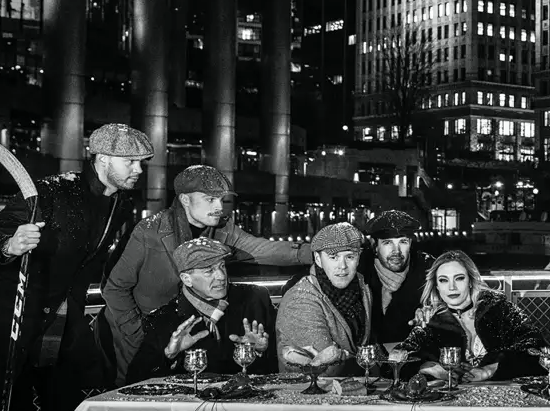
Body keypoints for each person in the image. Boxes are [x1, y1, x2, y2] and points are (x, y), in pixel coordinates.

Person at [0, 123, 153, 411]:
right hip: (5, 321)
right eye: (130, 162)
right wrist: (9, 245)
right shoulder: (52, 191)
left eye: (141, 162)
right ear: (102, 158)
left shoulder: (120, 204)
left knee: (67, 401)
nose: (138, 169)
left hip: (59, 322)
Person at [101, 164, 312, 383]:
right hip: (142, 335)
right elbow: (114, 288)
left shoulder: (224, 229)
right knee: (137, 390)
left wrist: (317, 252)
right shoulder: (148, 232)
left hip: (193, 332)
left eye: (221, 199)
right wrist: (138, 332)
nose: (219, 207)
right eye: (210, 199)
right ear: (185, 199)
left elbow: (265, 250)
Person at [126, 238, 276, 382]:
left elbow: (280, 364)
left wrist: (260, 351)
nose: (221, 276)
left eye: (222, 266)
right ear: (187, 279)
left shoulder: (255, 299)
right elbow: (134, 379)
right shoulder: (164, 319)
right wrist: (169, 355)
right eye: (209, 271)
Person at [394, 249, 545, 382]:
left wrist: (489, 370)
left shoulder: (499, 309)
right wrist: (431, 368)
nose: (452, 287)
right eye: (443, 280)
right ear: (437, 286)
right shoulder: (431, 321)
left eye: (459, 278)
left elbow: (538, 348)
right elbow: (396, 361)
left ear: (470, 281)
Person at [276, 222, 373, 377]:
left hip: (351, 386)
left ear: (358, 258)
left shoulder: (361, 287)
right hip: (308, 389)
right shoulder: (300, 300)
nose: (342, 266)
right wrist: (373, 360)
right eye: (333, 257)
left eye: (350, 257)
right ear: (318, 259)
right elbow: (326, 367)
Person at [362, 210, 433, 345]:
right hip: (368, 355)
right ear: (375, 245)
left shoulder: (428, 271)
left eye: (403, 242)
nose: (396, 251)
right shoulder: (359, 270)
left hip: (414, 353)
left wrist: (433, 313)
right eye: (387, 242)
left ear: (410, 243)